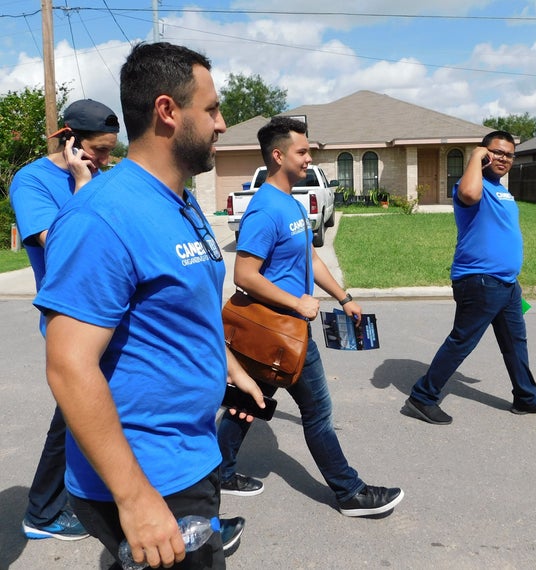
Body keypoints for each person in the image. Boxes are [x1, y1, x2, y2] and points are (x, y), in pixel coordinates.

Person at [33, 41, 263, 569]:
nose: (222, 124)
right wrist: (136, 500)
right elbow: (69, 366)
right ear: (167, 111)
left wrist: (229, 370)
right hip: (149, 475)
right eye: (210, 109)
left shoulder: (182, 201)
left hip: (191, 455)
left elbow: (187, 309)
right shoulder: (101, 217)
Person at [217, 116, 404, 517]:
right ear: (278, 155)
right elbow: (244, 274)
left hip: (280, 333)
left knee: (250, 401)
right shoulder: (265, 209)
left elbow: (310, 256)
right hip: (278, 331)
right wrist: (298, 302)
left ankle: (220, 472)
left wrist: (343, 296)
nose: (309, 157)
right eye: (302, 151)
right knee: (317, 413)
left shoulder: (292, 203)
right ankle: (349, 492)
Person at [10, 98, 120, 541]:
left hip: (111, 311)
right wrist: (81, 185)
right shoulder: (32, 180)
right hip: (72, 318)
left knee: (86, 413)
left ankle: (61, 503)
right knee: (77, 414)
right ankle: (42, 512)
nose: (106, 160)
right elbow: (62, 243)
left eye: (112, 150)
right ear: (71, 141)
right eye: (99, 149)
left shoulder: (101, 176)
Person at [404, 130, 536, 425]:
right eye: (497, 152)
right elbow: (468, 195)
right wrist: (476, 157)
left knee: (516, 341)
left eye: (509, 154)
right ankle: (422, 398)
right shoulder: (471, 185)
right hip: (479, 280)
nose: (504, 158)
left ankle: (526, 397)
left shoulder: (502, 189)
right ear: (484, 152)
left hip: (506, 283)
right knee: (462, 341)